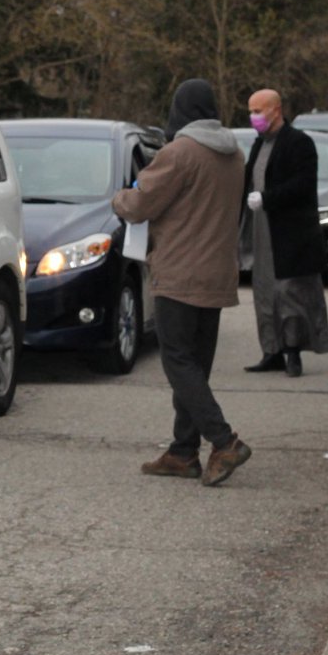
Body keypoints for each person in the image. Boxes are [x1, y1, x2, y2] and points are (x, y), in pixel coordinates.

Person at [112, 78, 251, 487]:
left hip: (180, 272)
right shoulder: (234, 153)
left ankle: (224, 441)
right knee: (196, 364)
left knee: (177, 361)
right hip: (217, 273)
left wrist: (119, 198)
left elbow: (140, 204)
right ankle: (182, 452)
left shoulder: (180, 152)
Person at [243, 89, 328, 378]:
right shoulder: (258, 145)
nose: (253, 116)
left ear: (276, 110)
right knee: (265, 291)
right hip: (262, 231)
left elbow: (303, 185)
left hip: (291, 234)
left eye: (258, 110)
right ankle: (271, 350)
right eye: (251, 111)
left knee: (290, 293)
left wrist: (267, 198)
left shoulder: (299, 143)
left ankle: (292, 352)